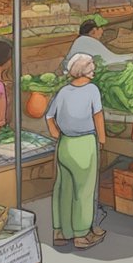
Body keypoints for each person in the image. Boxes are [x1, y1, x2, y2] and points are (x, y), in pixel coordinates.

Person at [45, 53, 108, 250]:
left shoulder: (63, 91)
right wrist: (102, 139)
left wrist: (57, 133)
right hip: (84, 143)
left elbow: (49, 115)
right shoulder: (92, 90)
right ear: (84, 70)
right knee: (84, 190)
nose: (94, 70)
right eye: (91, 67)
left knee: (63, 188)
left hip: (65, 144)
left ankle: (61, 232)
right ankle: (81, 234)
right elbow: (97, 116)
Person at [65, 19, 133, 70]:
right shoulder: (86, 41)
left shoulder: (81, 40)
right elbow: (108, 59)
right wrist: (131, 56)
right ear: (94, 31)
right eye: (101, 29)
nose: (102, 31)